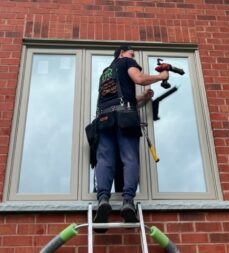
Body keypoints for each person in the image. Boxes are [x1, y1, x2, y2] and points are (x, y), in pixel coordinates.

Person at [93, 45, 169, 232]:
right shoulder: (126, 62)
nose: (134, 58)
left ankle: (103, 199)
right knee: (129, 158)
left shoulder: (106, 73)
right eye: (132, 54)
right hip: (125, 118)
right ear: (122, 53)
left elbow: (120, 97)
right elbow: (139, 78)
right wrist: (161, 77)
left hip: (103, 119)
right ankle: (128, 201)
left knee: (105, 160)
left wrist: (141, 98)